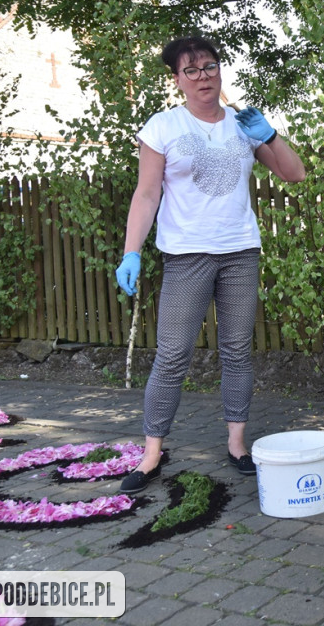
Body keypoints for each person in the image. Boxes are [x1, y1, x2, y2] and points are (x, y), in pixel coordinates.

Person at [114, 36, 306, 495]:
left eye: (209, 66)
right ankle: (152, 454)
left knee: (238, 350)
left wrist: (271, 135)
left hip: (241, 251)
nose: (203, 76)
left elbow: (295, 174)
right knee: (173, 355)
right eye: (192, 70)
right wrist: (132, 250)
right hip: (186, 255)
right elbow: (147, 193)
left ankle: (237, 445)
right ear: (177, 79)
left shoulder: (243, 126)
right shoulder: (161, 127)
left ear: (220, 71)